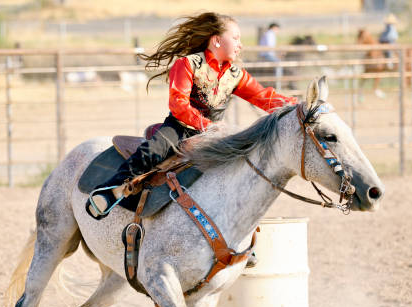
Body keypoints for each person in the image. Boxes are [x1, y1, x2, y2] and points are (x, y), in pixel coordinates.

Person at [87, 12, 297, 220]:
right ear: (216, 40)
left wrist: (297, 106)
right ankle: (109, 191)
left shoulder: (236, 74)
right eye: (235, 38)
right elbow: (179, 104)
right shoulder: (188, 64)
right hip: (179, 127)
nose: (240, 44)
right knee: (153, 151)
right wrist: (205, 125)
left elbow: (263, 97)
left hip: (214, 133)